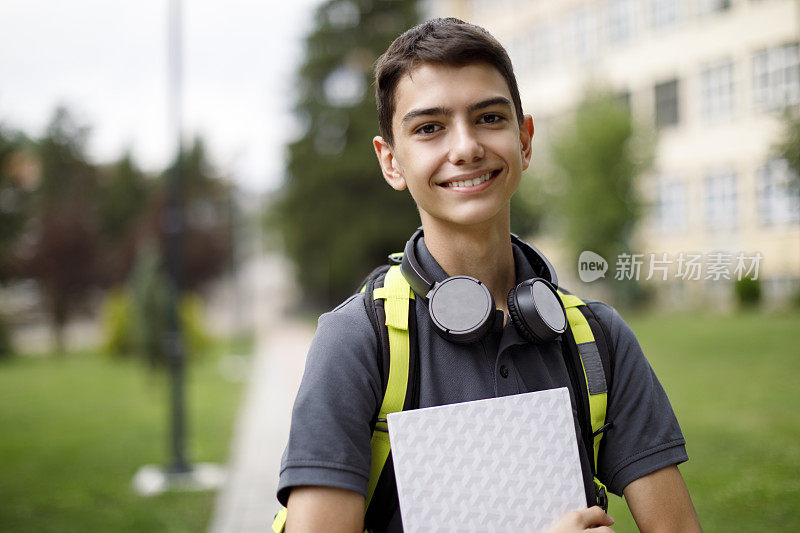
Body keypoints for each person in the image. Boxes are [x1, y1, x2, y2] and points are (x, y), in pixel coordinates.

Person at [277, 17, 702, 532]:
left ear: (524, 139)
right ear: (391, 161)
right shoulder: (355, 341)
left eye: (489, 118)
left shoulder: (600, 338)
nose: (466, 147)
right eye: (429, 127)